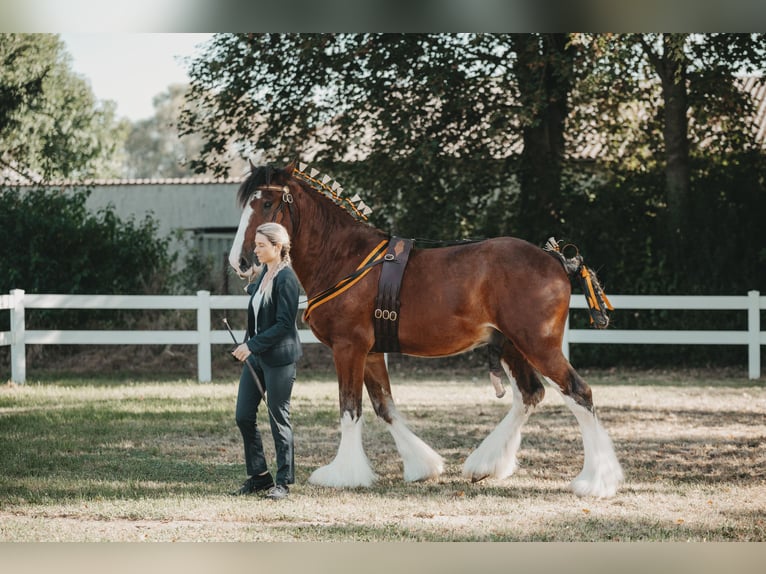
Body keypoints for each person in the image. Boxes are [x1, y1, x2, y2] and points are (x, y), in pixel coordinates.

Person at [230, 222, 302, 500]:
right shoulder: (264, 276)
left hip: (280, 359)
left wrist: (251, 345)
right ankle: (260, 476)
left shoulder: (287, 279)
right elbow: (259, 316)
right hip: (257, 357)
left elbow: (284, 324)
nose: (256, 249)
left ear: (277, 246)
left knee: (277, 418)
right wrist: (249, 344)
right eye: (256, 245)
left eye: (261, 245)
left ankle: (283, 482)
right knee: (243, 416)